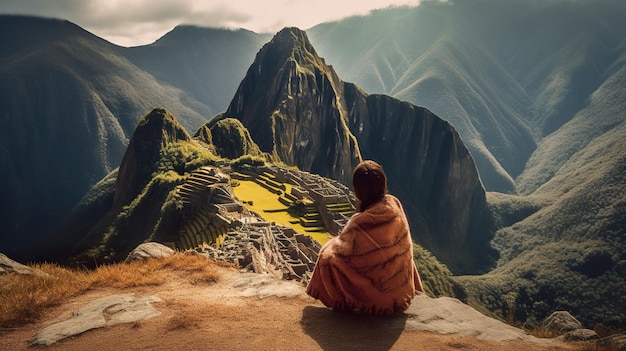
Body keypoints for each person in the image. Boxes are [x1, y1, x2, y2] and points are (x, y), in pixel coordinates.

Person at [306, 160, 424, 315]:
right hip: (401, 294)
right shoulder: (395, 206)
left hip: (377, 302)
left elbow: (340, 254)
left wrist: (329, 245)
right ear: (383, 184)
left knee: (326, 256)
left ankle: (355, 300)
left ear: (357, 191)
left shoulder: (360, 223)